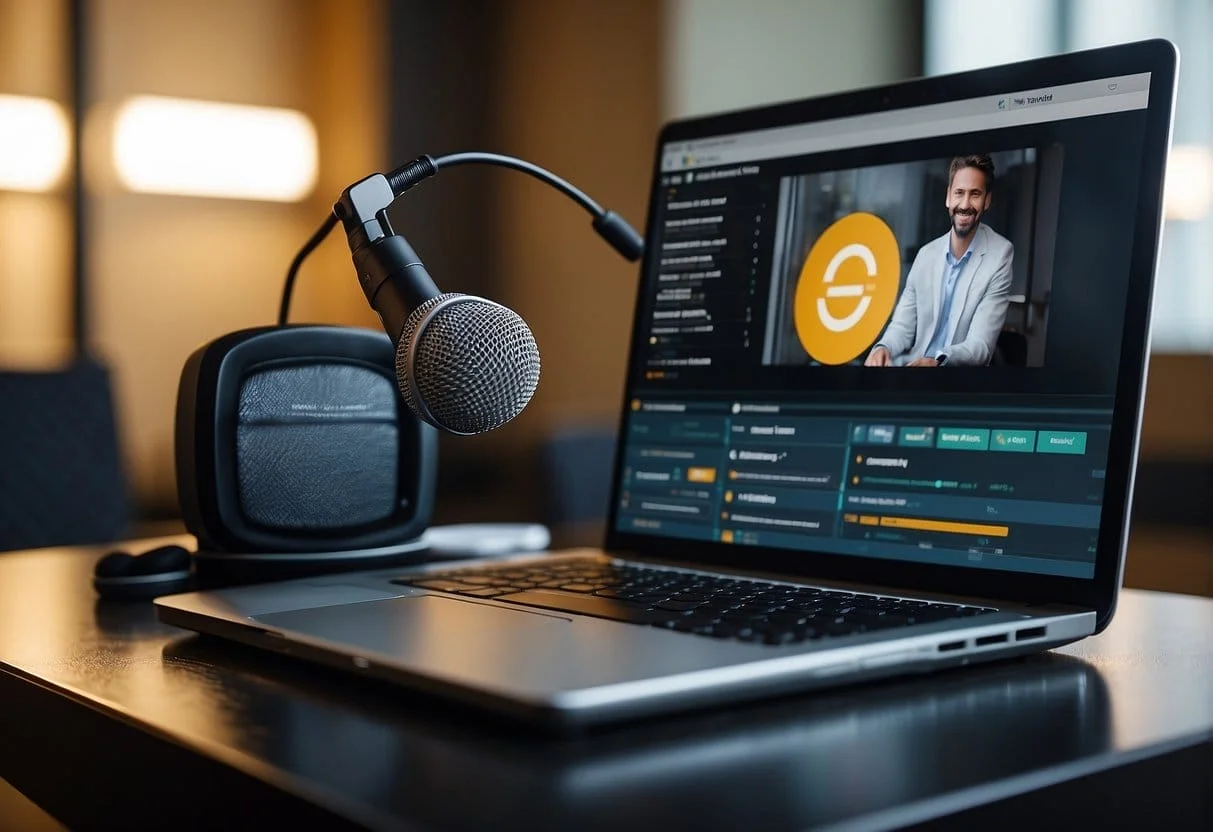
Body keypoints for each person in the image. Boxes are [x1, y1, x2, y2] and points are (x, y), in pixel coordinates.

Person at [865, 154, 1013, 367]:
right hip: (912, 371)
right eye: (959, 193)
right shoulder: (926, 255)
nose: (964, 204)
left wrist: (938, 360)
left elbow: (980, 346)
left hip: (957, 383)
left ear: (986, 201)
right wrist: (884, 347)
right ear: (948, 197)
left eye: (975, 194)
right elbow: (902, 326)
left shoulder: (1000, 254)